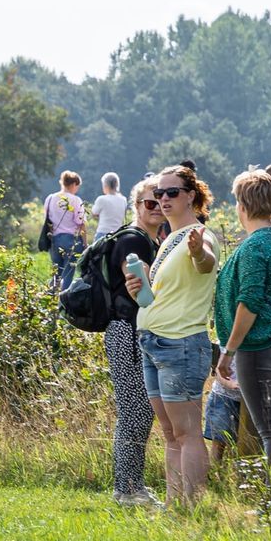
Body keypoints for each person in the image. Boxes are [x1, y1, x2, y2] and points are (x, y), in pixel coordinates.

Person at [122, 165, 217, 505]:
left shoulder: (199, 236)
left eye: (171, 192)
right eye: (158, 194)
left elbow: (205, 263)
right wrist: (140, 288)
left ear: (191, 195)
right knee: (169, 433)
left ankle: (192, 506)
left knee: (186, 431)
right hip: (153, 342)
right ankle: (174, 505)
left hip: (180, 343)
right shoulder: (168, 239)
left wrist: (197, 254)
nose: (163, 199)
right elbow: (162, 296)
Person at [213, 169, 271, 483]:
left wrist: (229, 351)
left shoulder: (255, 247)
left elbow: (250, 302)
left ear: (243, 205)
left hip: (259, 344)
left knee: (269, 427)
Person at [101, 179, 162, 506]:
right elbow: (143, 290)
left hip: (135, 330)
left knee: (142, 411)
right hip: (126, 331)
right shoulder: (132, 240)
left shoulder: (150, 241)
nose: (157, 208)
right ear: (136, 206)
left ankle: (132, 485)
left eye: (162, 202)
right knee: (133, 411)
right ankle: (126, 490)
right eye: (149, 203)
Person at [43, 171, 88, 292]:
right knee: (68, 273)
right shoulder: (75, 200)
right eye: (77, 186)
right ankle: (63, 301)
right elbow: (81, 223)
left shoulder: (50, 198)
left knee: (56, 273)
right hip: (71, 240)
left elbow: (47, 221)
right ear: (74, 184)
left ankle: (50, 298)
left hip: (54, 240)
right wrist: (85, 243)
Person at [202, 347, 242, 468]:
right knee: (219, 440)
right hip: (223, 396)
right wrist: (230, 384)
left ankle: (236, 472)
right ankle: (215, 471)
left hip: (249, 399)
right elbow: (218, 371)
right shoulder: (226, 341)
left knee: (241, 441)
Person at [91, 172, 129, 238]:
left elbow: (94, 213)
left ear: (105, 185)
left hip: (103, 233)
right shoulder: (123, 200)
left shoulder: (101, 199)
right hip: (118, 234)